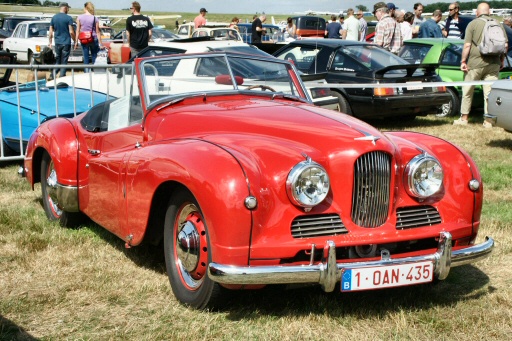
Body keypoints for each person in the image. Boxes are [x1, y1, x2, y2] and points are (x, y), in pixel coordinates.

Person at [454, 2, 508, 127]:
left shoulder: (472, 24)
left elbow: (467, 45)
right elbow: (505, 45)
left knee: (467, 90)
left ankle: (464, 118)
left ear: (477, 13)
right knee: (489, 93)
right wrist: (501, 60)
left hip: (475, 62)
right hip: (494, 63)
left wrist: (463, 61)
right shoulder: (498, 24)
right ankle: (488, 121)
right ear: (489, 12)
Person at [48, 2, 75, 78]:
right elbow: (71, 31)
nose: (68, 10)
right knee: (64, 61)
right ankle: (62, 76)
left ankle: (52, 75)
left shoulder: (54, 18)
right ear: (65, 8)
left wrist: (50, 42)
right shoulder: (68, 18)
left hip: (57, 42)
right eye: (68, 8)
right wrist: (75, 40)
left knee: (58, 60)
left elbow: (50, 32)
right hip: (66, 42)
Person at [75, 2, 102, 72]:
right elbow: (98, 32)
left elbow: (77, 30)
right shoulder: (95, 18)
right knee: (94, 56)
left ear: (85, 8)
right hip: (93, 38)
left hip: (84, 39)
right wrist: (100, 43)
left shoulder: (79, 17)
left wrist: (76, 42)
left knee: (86, 58)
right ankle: (94, 71)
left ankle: (86, 73)